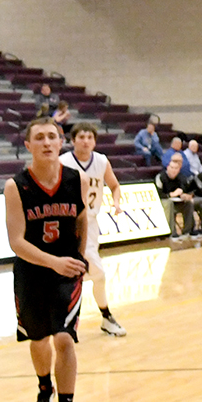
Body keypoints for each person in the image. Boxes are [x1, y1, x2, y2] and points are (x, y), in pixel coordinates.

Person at [4, 117, 88, 402]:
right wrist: (53, 262)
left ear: (61, 142)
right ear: (28, 145)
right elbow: (16, 242)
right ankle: (44, 387)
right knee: (38, 339)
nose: (47, 142)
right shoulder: (16, 186)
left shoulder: (76, 179)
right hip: (31, 272)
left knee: (64, 339)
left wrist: (79, 258)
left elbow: (81, 218)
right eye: (39, 137)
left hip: (66, 272)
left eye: (52, 136)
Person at [60, 123, 127, 337]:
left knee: (86, 272)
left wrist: (116, 202)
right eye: (81, 137)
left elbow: (114, 185)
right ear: (73, 140)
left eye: (90, 137)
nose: (86, 141)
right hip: (68, 222)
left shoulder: (101, 161)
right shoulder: (63, 162)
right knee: (94, 271)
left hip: (91, 222)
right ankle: (102, 315)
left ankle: (73, 318)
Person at [156, 154, 202, 236]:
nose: (173, 170)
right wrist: (171, 195)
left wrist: (187, 195)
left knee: (188, 203)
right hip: (164, 202)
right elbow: (157, 194)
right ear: (167, 168)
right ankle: (172, 232)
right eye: (172, 168)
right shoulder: (160, 177)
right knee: (169, 203)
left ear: (179, 170)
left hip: (178, 202)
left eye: (176, 168)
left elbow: (188, 190)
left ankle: (188, 231)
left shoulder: (181, 177)